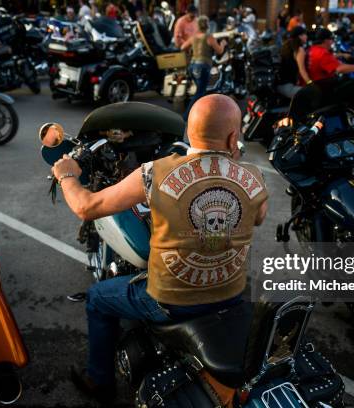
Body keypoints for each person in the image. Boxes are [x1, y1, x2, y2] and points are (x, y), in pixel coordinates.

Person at [52, 94, 268, 404]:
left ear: (190, 134)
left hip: (174, 302)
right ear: (234, 136)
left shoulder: (155, 172)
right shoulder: (255, 177)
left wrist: (67, 175)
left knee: (99, 299)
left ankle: (99, 383)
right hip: (230, 291)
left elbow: (87, 206)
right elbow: (257, 217)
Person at [181, 16, 227, 119]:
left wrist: (190, 52)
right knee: (200, 92)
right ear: (207, 25)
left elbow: (182, 47)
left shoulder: (194, 36)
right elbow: (219, 51)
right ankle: (186, 117)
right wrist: (223, 44)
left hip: (192, 66)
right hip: (202, 66)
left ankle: (200, 113)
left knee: (200, 91)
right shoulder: (208, 37)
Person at [277, 26, 311, 98]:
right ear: (300, 36)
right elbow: (302, 71)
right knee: (312, 94)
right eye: (305, 34)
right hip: (287, 86)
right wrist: (311, 83)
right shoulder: (299, 50)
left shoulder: (286, 46)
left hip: (279, 85)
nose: (306, 36)